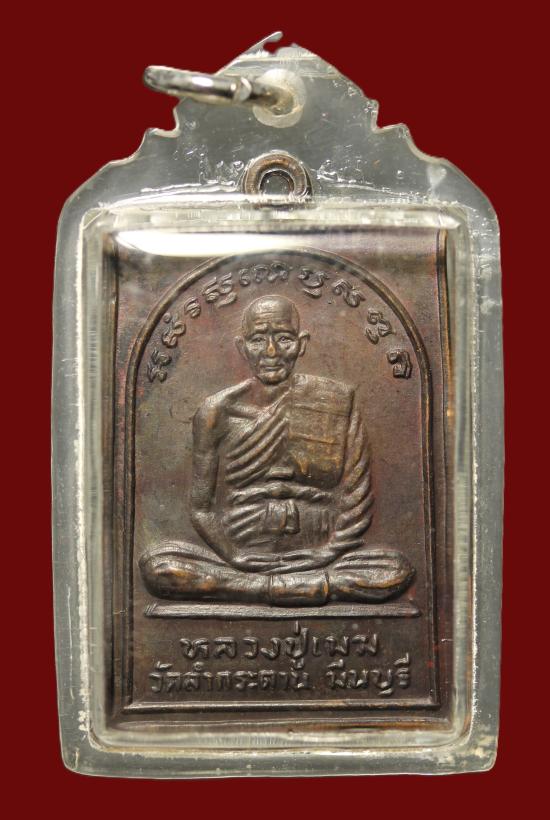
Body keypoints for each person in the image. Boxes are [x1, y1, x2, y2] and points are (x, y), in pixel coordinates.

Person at [140, 295, 414, 605]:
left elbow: (356, 496)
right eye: (258, 340)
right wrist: (234, 555)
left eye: (283, 339)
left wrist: (328, 552)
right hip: (240, 554)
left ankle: (254, 589)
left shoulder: (335, 400)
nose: (271, 352)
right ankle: (299, 587)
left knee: (396, 569)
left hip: (323, 552)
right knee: (159, 568)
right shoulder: (217, 411)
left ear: (301, 344)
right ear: (242, 347)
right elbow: (202, 508)